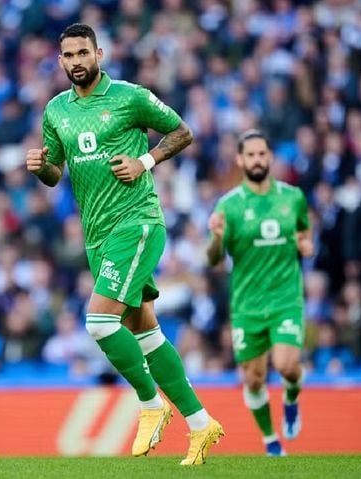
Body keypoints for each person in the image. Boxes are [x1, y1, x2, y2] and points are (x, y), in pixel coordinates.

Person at [26, 23, 224, 465]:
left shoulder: (130, 97)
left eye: (83, 53)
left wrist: (145, 160)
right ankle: (200, 423)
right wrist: (41, 167)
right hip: (97, 236)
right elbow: (56, 173)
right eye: (69, 56)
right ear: (60, 62)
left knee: (98, 321)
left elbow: (182, 131)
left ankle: (151, 405)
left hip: (136, 224)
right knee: (145, 332)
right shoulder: (56, 110)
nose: (76, 61)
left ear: (100, 53)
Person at [207, 129, 313, 456]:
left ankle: (291, 396)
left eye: (262, 154)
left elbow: (304, 232)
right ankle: (270, 439)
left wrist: (306, 244)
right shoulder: (229, 205)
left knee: (285, 366)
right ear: (240, 160)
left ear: (270, 158)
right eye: (250, 155)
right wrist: (216, 238)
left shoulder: (292, 197)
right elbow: (213, 260)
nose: (256, 160)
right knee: (253, 379)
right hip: (247, 304)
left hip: (285, 299)